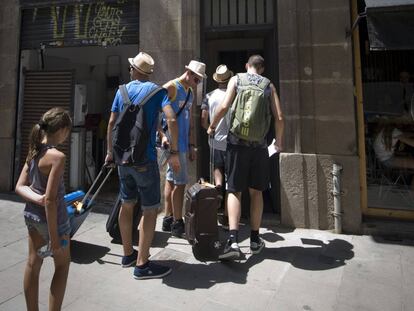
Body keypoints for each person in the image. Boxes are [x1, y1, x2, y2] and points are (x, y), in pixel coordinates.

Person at [105, 52, 180, 279]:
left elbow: (111, 122)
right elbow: (172, 119)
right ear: (147, 72)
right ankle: (142, 264)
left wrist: (110, 152)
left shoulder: (122, 91)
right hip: (144, 160)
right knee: (149, 210)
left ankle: (128, 254)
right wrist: (174, 151)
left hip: (122, 159)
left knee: (126, 205)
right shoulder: (157, 92)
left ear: (133, 70)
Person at [207, 55, 284, 260]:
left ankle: (233, 240)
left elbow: (224, 107)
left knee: (234, 190)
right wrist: (278, 142)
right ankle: (255, 239)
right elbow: (279, 117)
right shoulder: (268, 85)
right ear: (262, 68)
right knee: (256, 192)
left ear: (246, 66)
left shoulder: (236, 79)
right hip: (259, 147)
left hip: (236, 144)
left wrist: (212, 125)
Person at [15, 107, 72, 310]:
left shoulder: (34, 150)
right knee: (63, 266)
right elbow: (50, 201)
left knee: (33, 263)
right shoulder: (58, 157)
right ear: (63, 129)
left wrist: (37, 198)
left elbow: (19, 186)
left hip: (32, 218)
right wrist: (55, 240)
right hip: (54, 222)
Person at [160, 60, 206, 237]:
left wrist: (192, 145)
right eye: (197, 79)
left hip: (182, 145)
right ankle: (178, 223)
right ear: (188, 73)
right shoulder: (171, 87)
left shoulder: (190, 92)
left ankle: (168, 218)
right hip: (173, 145)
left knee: (172, 181)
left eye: (200, 80)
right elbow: (154, 111)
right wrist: (162, 135)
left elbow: (191, 122)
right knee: (181, 182)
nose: (198, 83)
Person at [201, 64, 233, 229]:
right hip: (232, 141)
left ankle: (218, 187)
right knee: (232, 181)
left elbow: (203, 119)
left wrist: (209, 128)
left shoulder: (209, 96)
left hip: (214, 140)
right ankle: (227, 218)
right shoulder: (234, 94)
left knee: (217, 169)